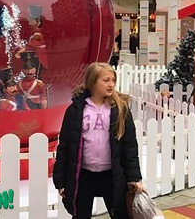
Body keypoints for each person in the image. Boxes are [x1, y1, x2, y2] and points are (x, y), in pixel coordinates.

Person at [53, 62, 143, 219]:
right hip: (83, 175)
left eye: (113, 80)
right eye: (106, 80)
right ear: (93, 81)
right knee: (80, 215)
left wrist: (134, 178)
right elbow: (65, 146)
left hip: (111, 174)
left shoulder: (120, 109)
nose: (111, 84)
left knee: (120, 214)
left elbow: (129, 147)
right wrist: (60, 181)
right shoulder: (75, 110)